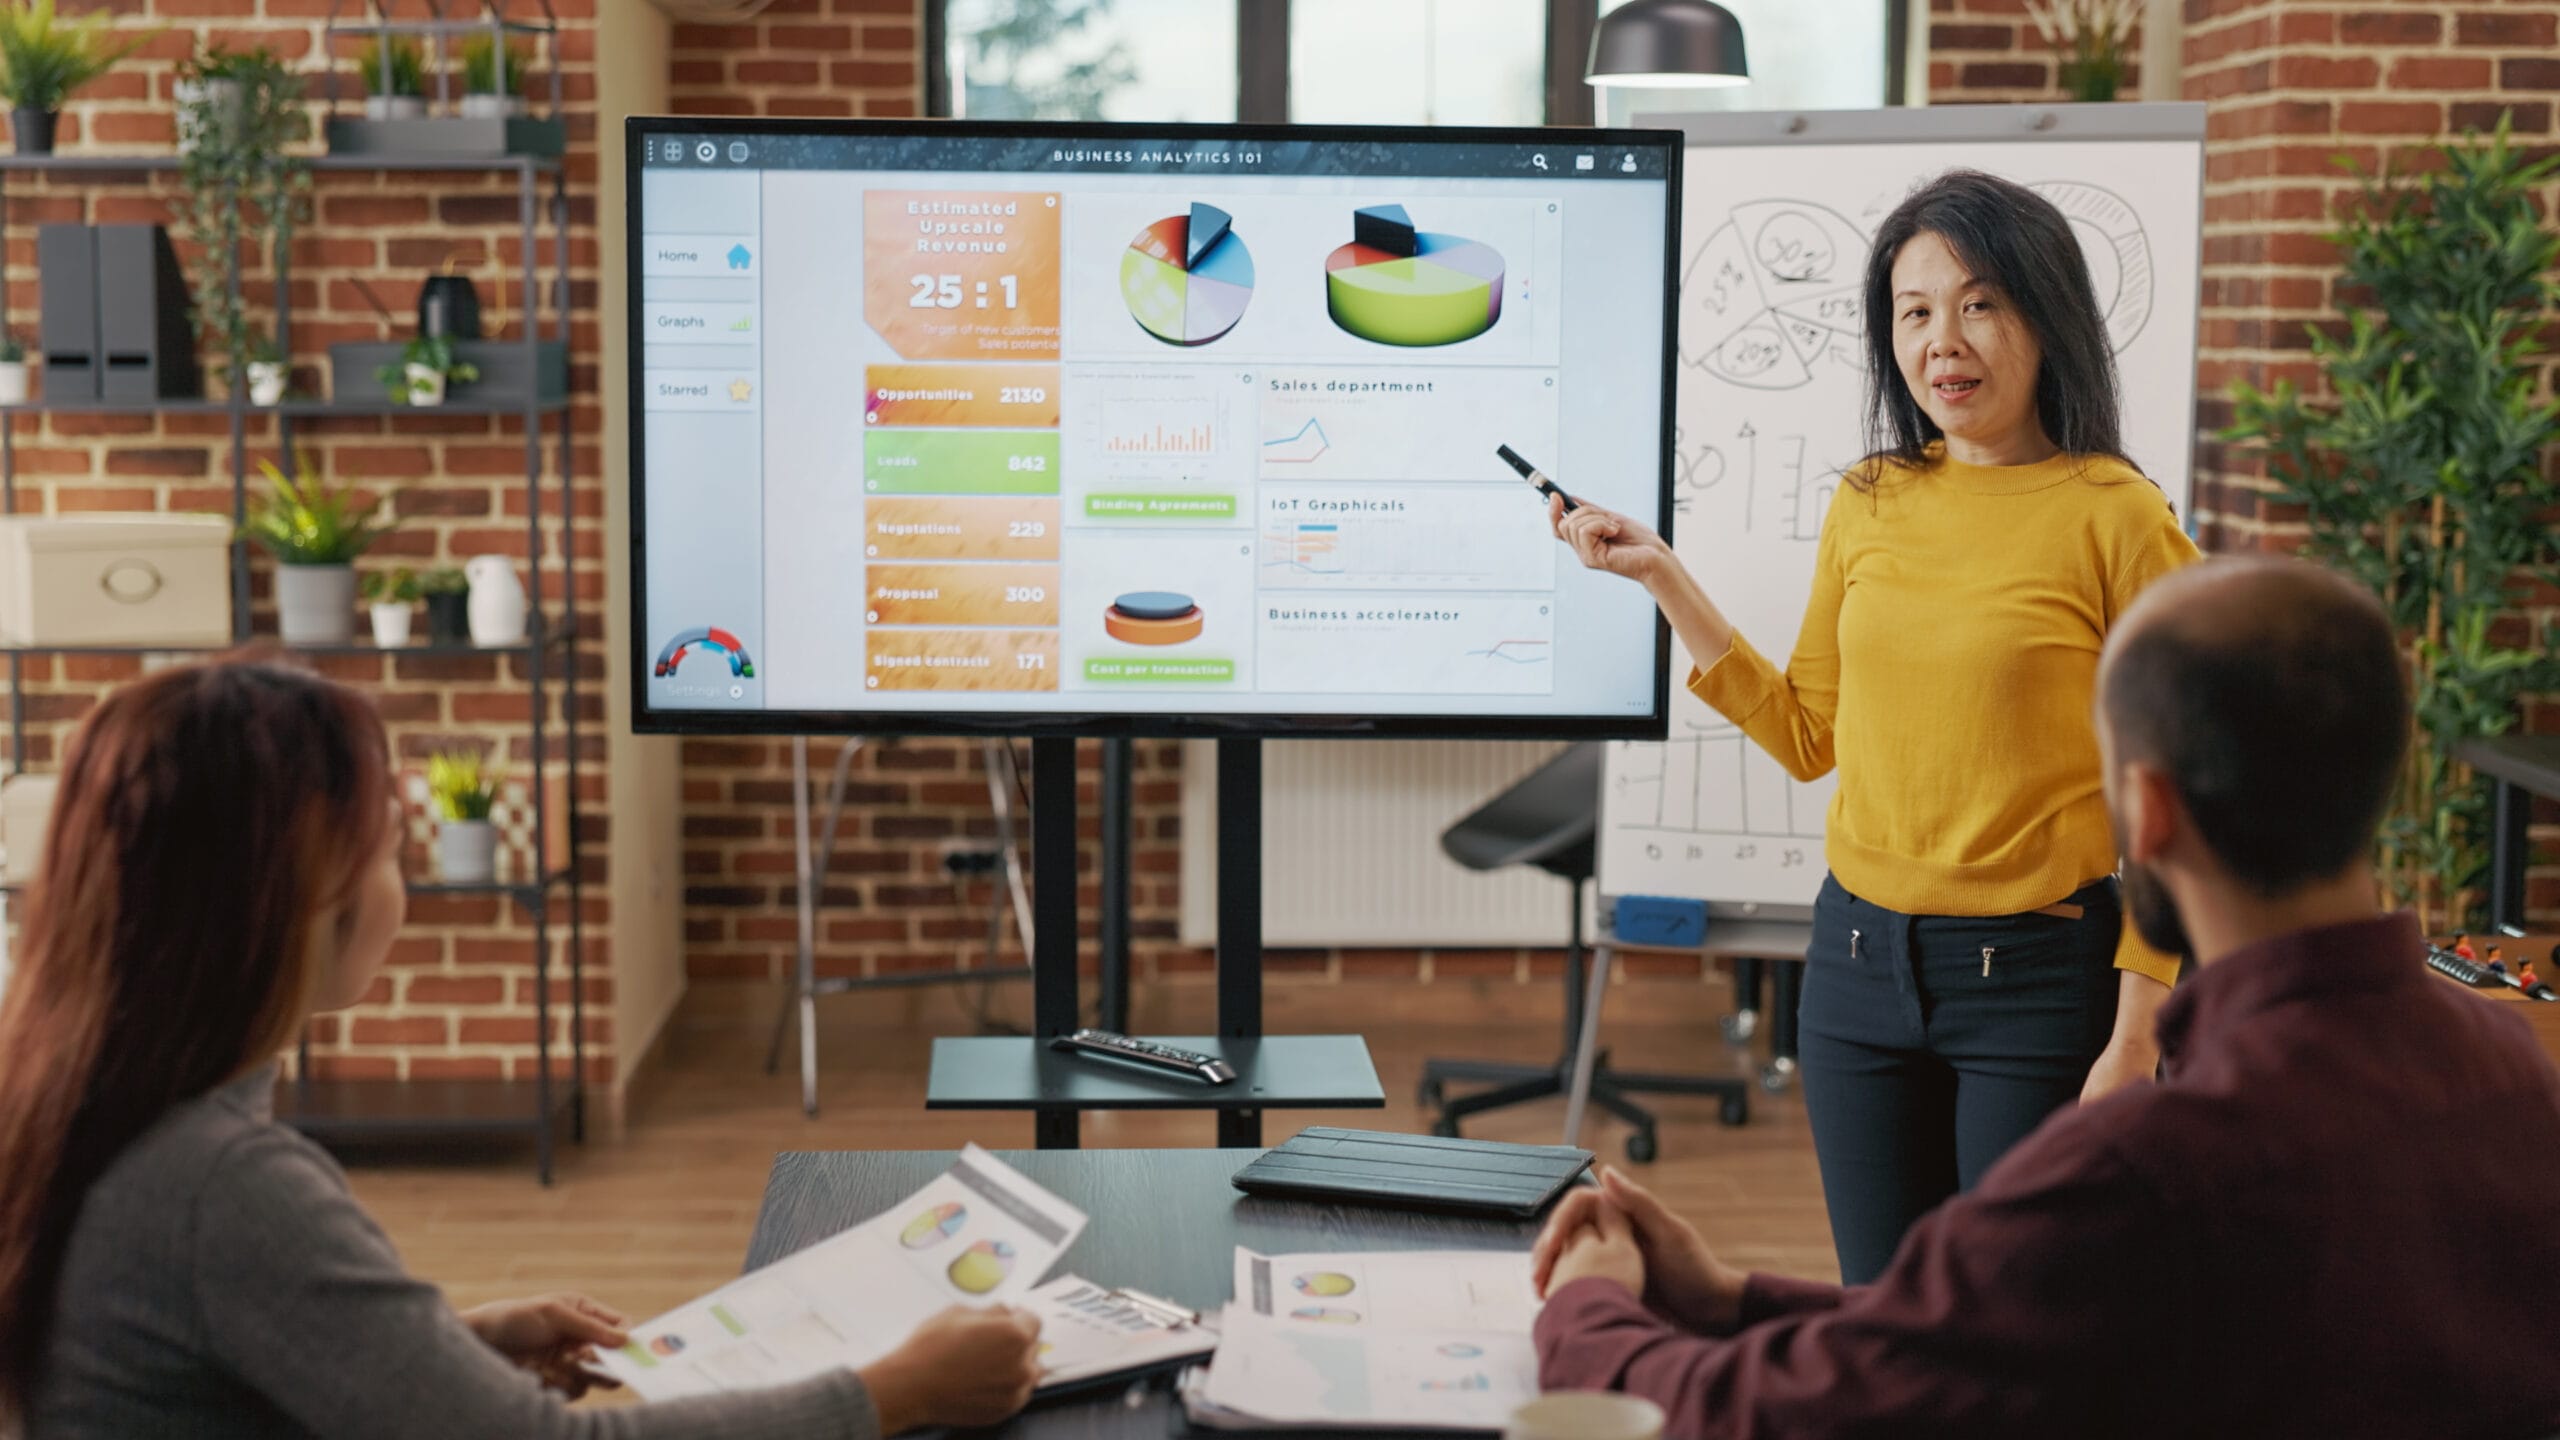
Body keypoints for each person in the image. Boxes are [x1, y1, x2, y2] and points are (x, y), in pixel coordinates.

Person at [1529, 557, 2560, 1435]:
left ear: (2143, 811)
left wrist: (1589, 1308)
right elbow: (1980, 1326)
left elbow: (1763, 1415)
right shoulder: (2513, 1074)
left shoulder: (2145, 1171)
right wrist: (1732, 1297)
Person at [0, 657, 1042, 1438]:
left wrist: (445, 1350)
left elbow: (221, 1362)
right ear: (295, 901)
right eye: (389, 848)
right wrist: (894, 1391)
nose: (401, 881)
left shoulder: (90, 1103)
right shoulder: (226, 1187)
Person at [1553, 169, 2199, 1282]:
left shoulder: (2116, 515)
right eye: (1914, 311)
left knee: (2011, 1321)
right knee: (1882, 1312)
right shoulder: (1870, 498)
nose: (1943, 340)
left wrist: (2137, 1032)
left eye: (1979, 303)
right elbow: (1809, 734)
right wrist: (1664, 578)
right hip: (1853, 971)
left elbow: (2184, 786)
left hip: (2040, 984)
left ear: (2046, 315)